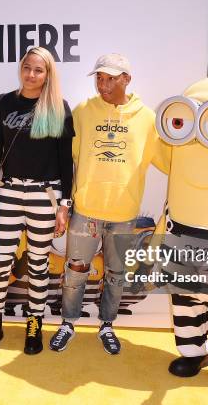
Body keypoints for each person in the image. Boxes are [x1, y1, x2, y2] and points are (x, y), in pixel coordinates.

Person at [49, 53, 169, 355]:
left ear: (127, 79)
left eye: (110, 78)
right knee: (75, 271)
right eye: (99, 77)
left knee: (116, 276)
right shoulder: (82, 112)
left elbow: (168, 162)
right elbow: (65, 159)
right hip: (86, 211)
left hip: (124, 215)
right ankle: (68, 323)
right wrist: (62, 202)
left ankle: (107, 325)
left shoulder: (147, 119)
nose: (103, 84)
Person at [0, 46, 74, 355]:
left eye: (39, 70)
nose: (32, 75)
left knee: (37, 265)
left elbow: (65, 162)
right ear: (20, 68)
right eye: (28, 68)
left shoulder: (59, 108)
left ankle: (34, 327)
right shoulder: (3, 103)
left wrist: (64, 205)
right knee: (1, 262)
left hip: (45, 195)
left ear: (48, 74)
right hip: (7, 192)